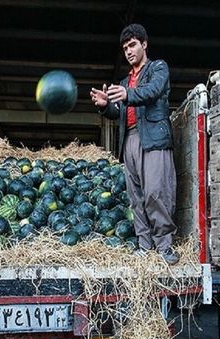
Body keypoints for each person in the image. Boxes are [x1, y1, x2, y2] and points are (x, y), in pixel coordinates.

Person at [90, 23, 179, 265]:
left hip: (153, 137)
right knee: (136, 196)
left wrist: (128, 94)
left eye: (132, 45)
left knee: (156, 192)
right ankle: (144, 245)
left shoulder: (158, 68)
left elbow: (152, 91)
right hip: (129, 139)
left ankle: (164, 245)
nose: (128, 51)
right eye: (125, 48)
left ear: (144, 44)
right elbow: (118, 111)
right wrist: (105, 105)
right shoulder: (124, 80)